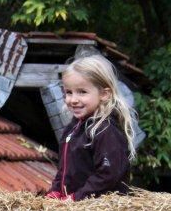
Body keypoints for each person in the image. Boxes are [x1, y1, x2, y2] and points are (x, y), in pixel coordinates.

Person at [46, 54, 137, 201]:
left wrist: (77, 198)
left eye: (82, 92)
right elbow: (65, 170)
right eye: (69, 92)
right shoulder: (72, 128)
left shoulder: (106, 130)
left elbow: (108, 175)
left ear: (104, 94)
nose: (73, 100)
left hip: (101, 210)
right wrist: (56, 191)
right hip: (77, 208)